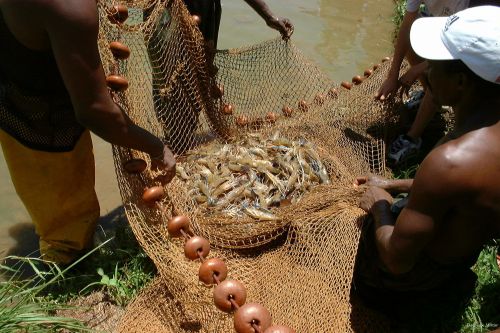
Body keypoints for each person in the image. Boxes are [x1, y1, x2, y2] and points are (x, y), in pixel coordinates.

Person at [355, 5, 500, 328]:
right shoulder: (486, 135)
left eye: (433, 67)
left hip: (418, 275)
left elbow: (396, 259)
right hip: (460, 257)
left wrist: (378, 204)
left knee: (353, 234)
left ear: (461, 82)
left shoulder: (450, 161)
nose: (424, 73)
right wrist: (396, 183)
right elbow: (466, 194)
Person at [0, 0, 176, 265]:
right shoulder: (70, 8)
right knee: (67, 238)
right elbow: (96, 113)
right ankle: (62, 278)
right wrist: (156, 147)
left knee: (48, 210)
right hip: (42, 127)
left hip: (15, 93)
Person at [376, 0, 470, 166]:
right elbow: (407, 25)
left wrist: (418, 69)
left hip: (465, 43)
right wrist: (393, 75)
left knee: (439, 75)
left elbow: (458, 48)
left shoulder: (464, 3)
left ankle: (412, 138)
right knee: (413, 37)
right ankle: (429, 94)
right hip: (440, 27)